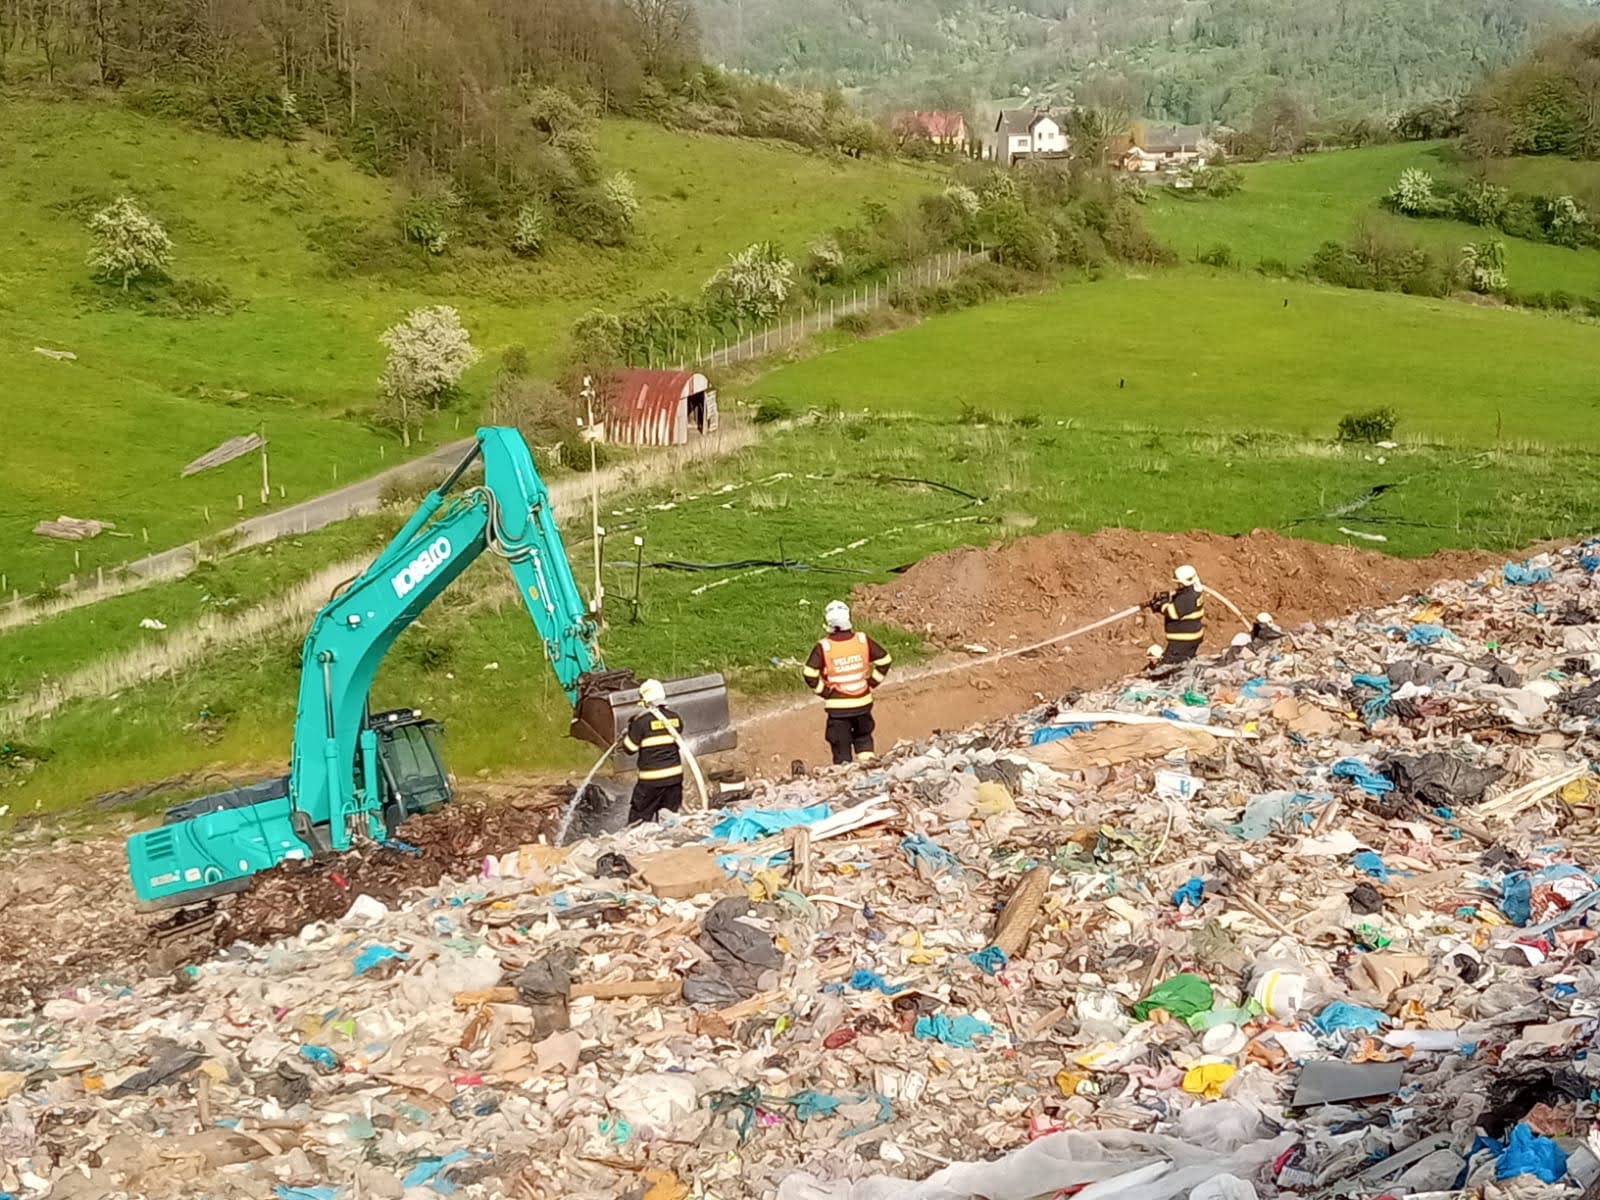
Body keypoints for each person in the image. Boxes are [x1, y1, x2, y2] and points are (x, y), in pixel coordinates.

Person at [803, 600, 892, 765]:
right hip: (863, 704)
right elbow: (884, 660)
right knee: (864, 739)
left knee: (841, 749)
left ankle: (845, 777)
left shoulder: (824, 647)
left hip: (838, 710)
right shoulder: (861, 640)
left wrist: (824, 692)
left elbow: (809, 673)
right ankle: (867, 769)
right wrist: (872, 682)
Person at [622, 679, 683, 824]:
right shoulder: (675, 718)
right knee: (669, 819)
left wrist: (630, 730)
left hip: (651, 782)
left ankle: (638, 845)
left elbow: (629, 749)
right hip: (674, 780)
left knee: (639, 821)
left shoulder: (641, 722)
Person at [1148, 564, 1206, 664]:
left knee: (1169, 665)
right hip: (1192, 637)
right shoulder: (1194, 592)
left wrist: (1161, 605)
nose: (1178, 586)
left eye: (1179, 583)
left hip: (1183, 640)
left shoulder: (1186, 597)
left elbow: (1173, 613)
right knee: (1184, 663)